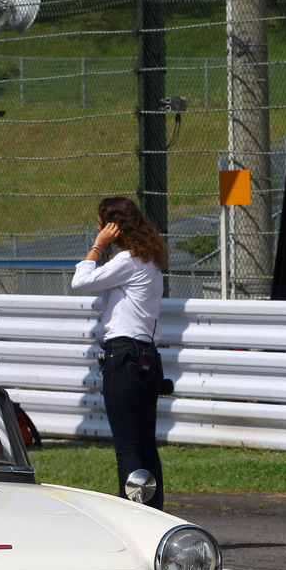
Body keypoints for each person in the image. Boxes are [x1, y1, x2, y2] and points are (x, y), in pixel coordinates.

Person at [70, 196, 167, 510]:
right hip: (147, 359)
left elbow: (80, 281)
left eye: (101, 224)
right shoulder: (149, 260)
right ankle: (155, 514)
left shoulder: (126, 260)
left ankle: (135, 519)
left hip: (123, 358)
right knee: (145, 446)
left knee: (127, 449)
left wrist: (97, 246)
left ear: (114, 227)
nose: (97, 228)